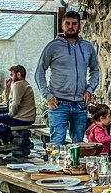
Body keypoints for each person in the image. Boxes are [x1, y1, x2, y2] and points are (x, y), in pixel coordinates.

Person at [35, 11, 100, 144]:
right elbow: (39, 72)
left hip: (80, 105)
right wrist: (47, 95)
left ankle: (76, 166)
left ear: (79, 26)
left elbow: (95, 69)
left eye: (74, 23)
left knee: (78, 145)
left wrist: (90, 89)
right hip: (59, 104)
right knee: (57, 143)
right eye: (67, 23)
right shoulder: (53, 47)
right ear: (62, 25)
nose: (71, 27)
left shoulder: (87, 47)